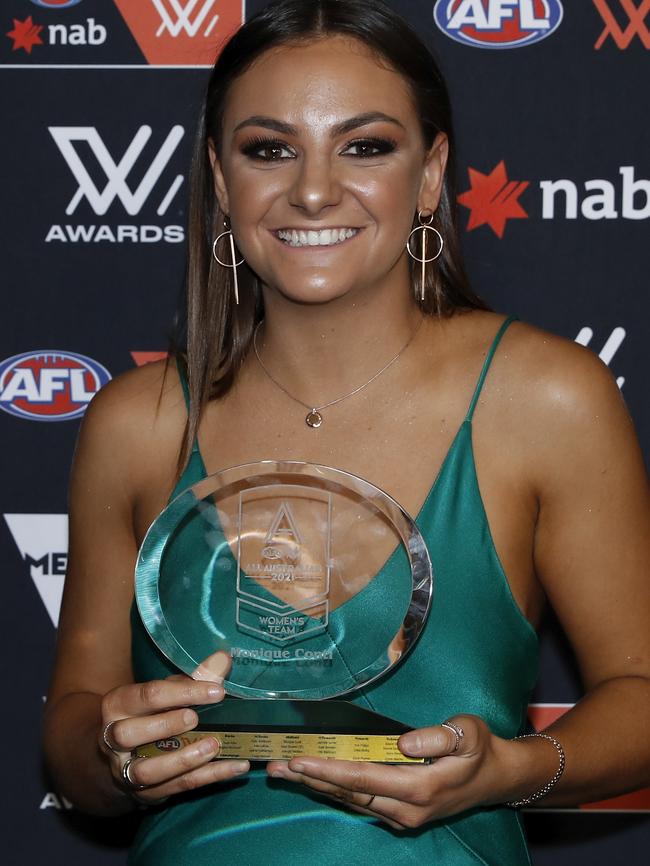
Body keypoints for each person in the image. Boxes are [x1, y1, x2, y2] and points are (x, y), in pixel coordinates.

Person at [43, 1, 650, 864]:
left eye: (365, 146)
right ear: (221, 179)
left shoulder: (545, 398)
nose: (315, 189)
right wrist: (112, 753)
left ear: (432, 173)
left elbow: (641, 694)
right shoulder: (137, 422)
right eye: (269, 149)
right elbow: (72, 730)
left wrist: (510, 770)